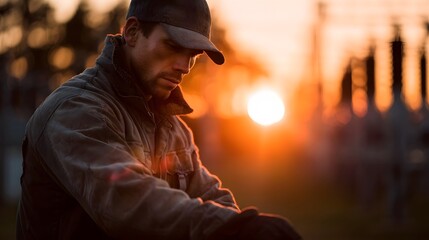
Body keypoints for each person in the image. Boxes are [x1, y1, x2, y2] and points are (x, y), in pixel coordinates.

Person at [16, 0, 302, 239]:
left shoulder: (172, 127)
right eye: (173, 47)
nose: (185, 67)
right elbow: (128, 201)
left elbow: (209, 196)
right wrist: (238, 229)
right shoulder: (75, 111)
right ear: (132, 32)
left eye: (193, 55)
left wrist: (245, 226)